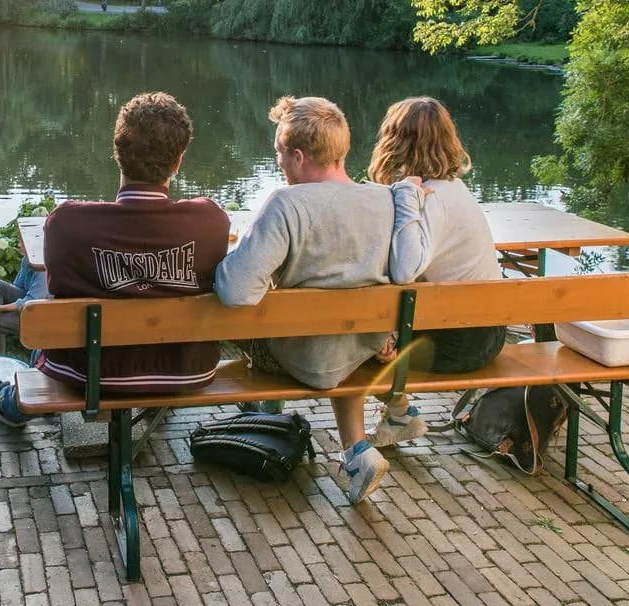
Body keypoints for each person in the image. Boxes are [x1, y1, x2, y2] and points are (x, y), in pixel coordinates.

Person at [0, 92, 231, 425]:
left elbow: (58, 289)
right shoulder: (210, 220)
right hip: (185, 372)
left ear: (117, 152)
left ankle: (9, 401)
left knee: (53, 330)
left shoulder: (67, 222)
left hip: (85, 374)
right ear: (178, 161)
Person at [213, 96, 404, 507]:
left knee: (248, 323)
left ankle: (266, 421)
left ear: (298, 156)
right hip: (366, 349)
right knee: (340, 332)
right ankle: (356, 451)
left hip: (299, 356)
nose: (279, 164)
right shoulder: (386, 200)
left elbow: (234, 291)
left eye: (280, 155)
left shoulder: (287, 204)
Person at [378, 95, 507, 384]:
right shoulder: (455, 188)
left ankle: (397, 414)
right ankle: (397, 413)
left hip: (459, 346)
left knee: (349, 350)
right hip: (489, 334)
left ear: (396, 142)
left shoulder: (430, 198)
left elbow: (404, 270)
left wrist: (405, 198)